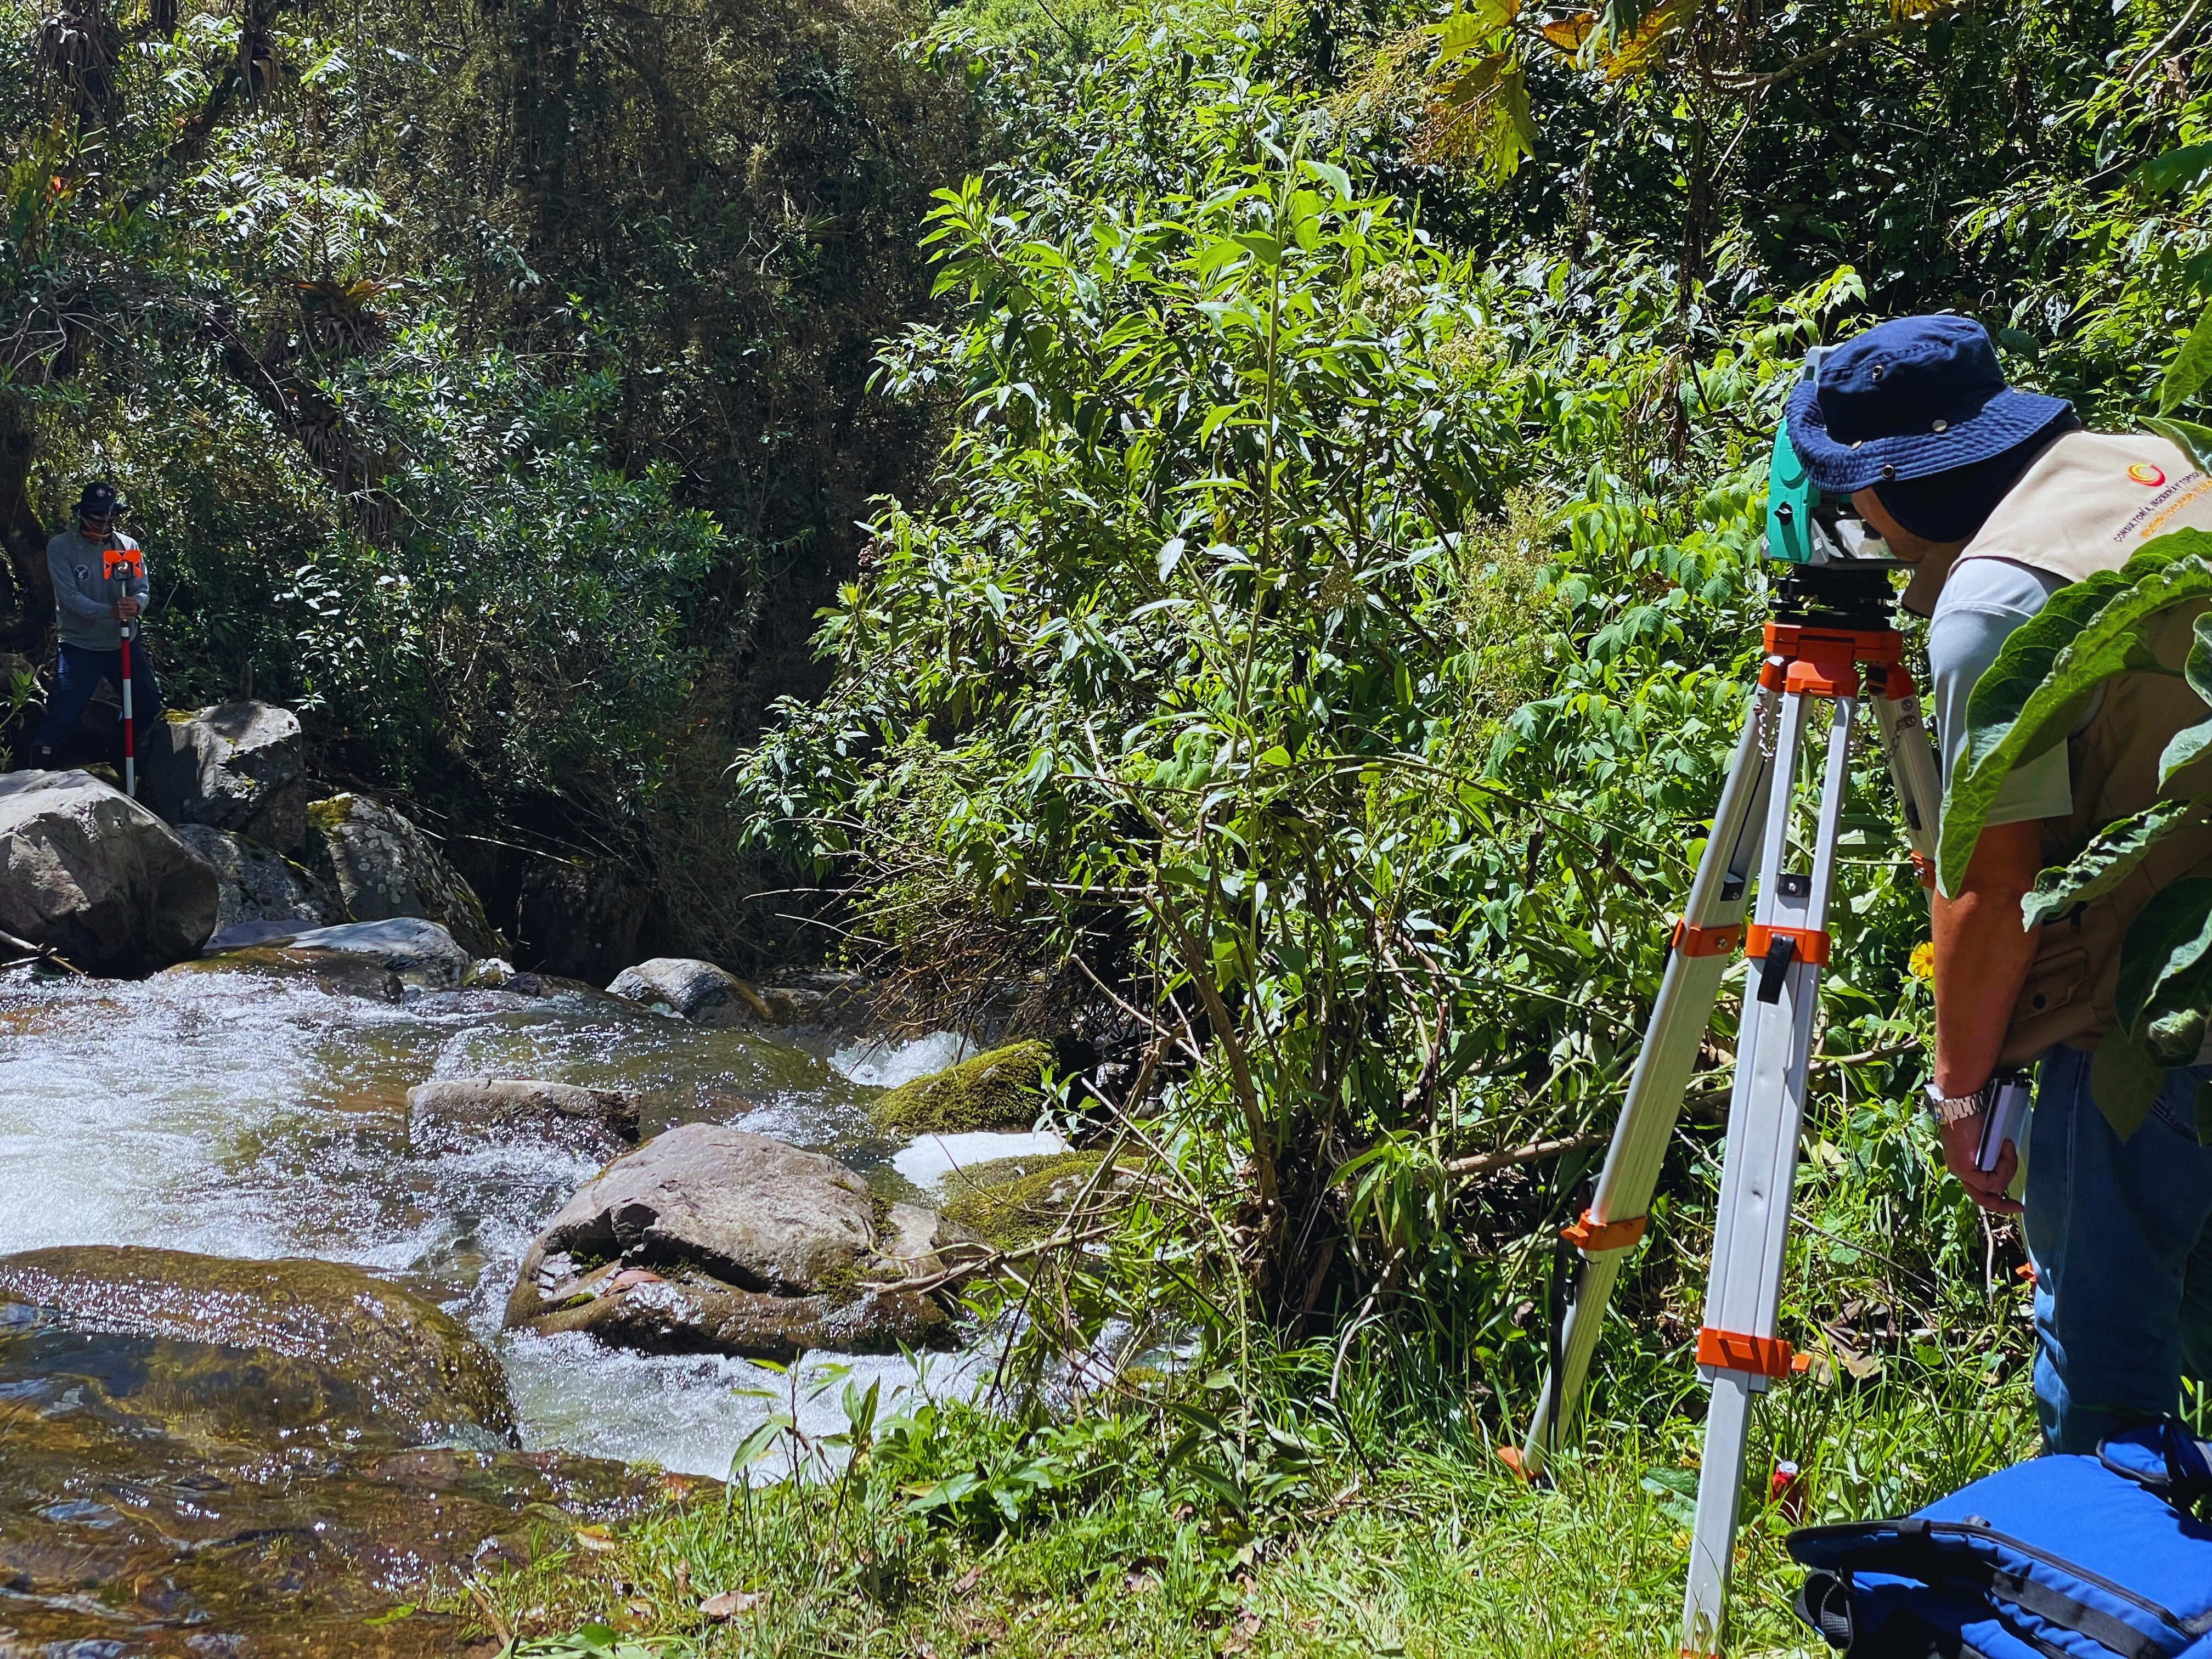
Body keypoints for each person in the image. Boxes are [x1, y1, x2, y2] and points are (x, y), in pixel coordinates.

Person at [1787, 315, 2212, 1454]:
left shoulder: (1991, 607)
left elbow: (1987, 883)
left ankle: (2108, 1602)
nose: (1854, 526)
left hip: (2142, 1021)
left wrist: (1962, 1094)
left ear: (1898, 486)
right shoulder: (2145, 468)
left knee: (2103, 1376)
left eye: (1852, 495)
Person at [30, 481, 165, 768]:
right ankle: (37, 773)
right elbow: (68, 599)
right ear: (82, 515)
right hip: (80, 645)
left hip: (124, 642)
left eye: (109, 518)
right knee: (64, 712)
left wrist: (136, 605)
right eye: (97, 518)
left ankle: (115, 755)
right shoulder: (62, 547)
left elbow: (141, 588)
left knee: (148, 703)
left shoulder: (127, 546)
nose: (103, 525)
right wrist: (109, 612)